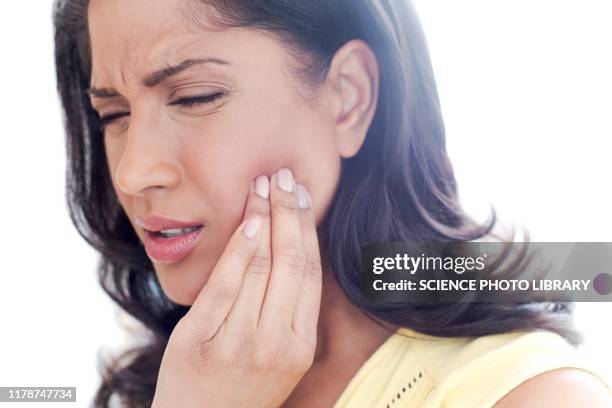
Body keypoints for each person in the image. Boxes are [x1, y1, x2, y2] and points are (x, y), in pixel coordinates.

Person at [52, 0, 611, 406]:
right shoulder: (155, 383)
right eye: (115, 116)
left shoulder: (535, 395)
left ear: (349, 97)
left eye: (196, 97)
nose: (134, 171)